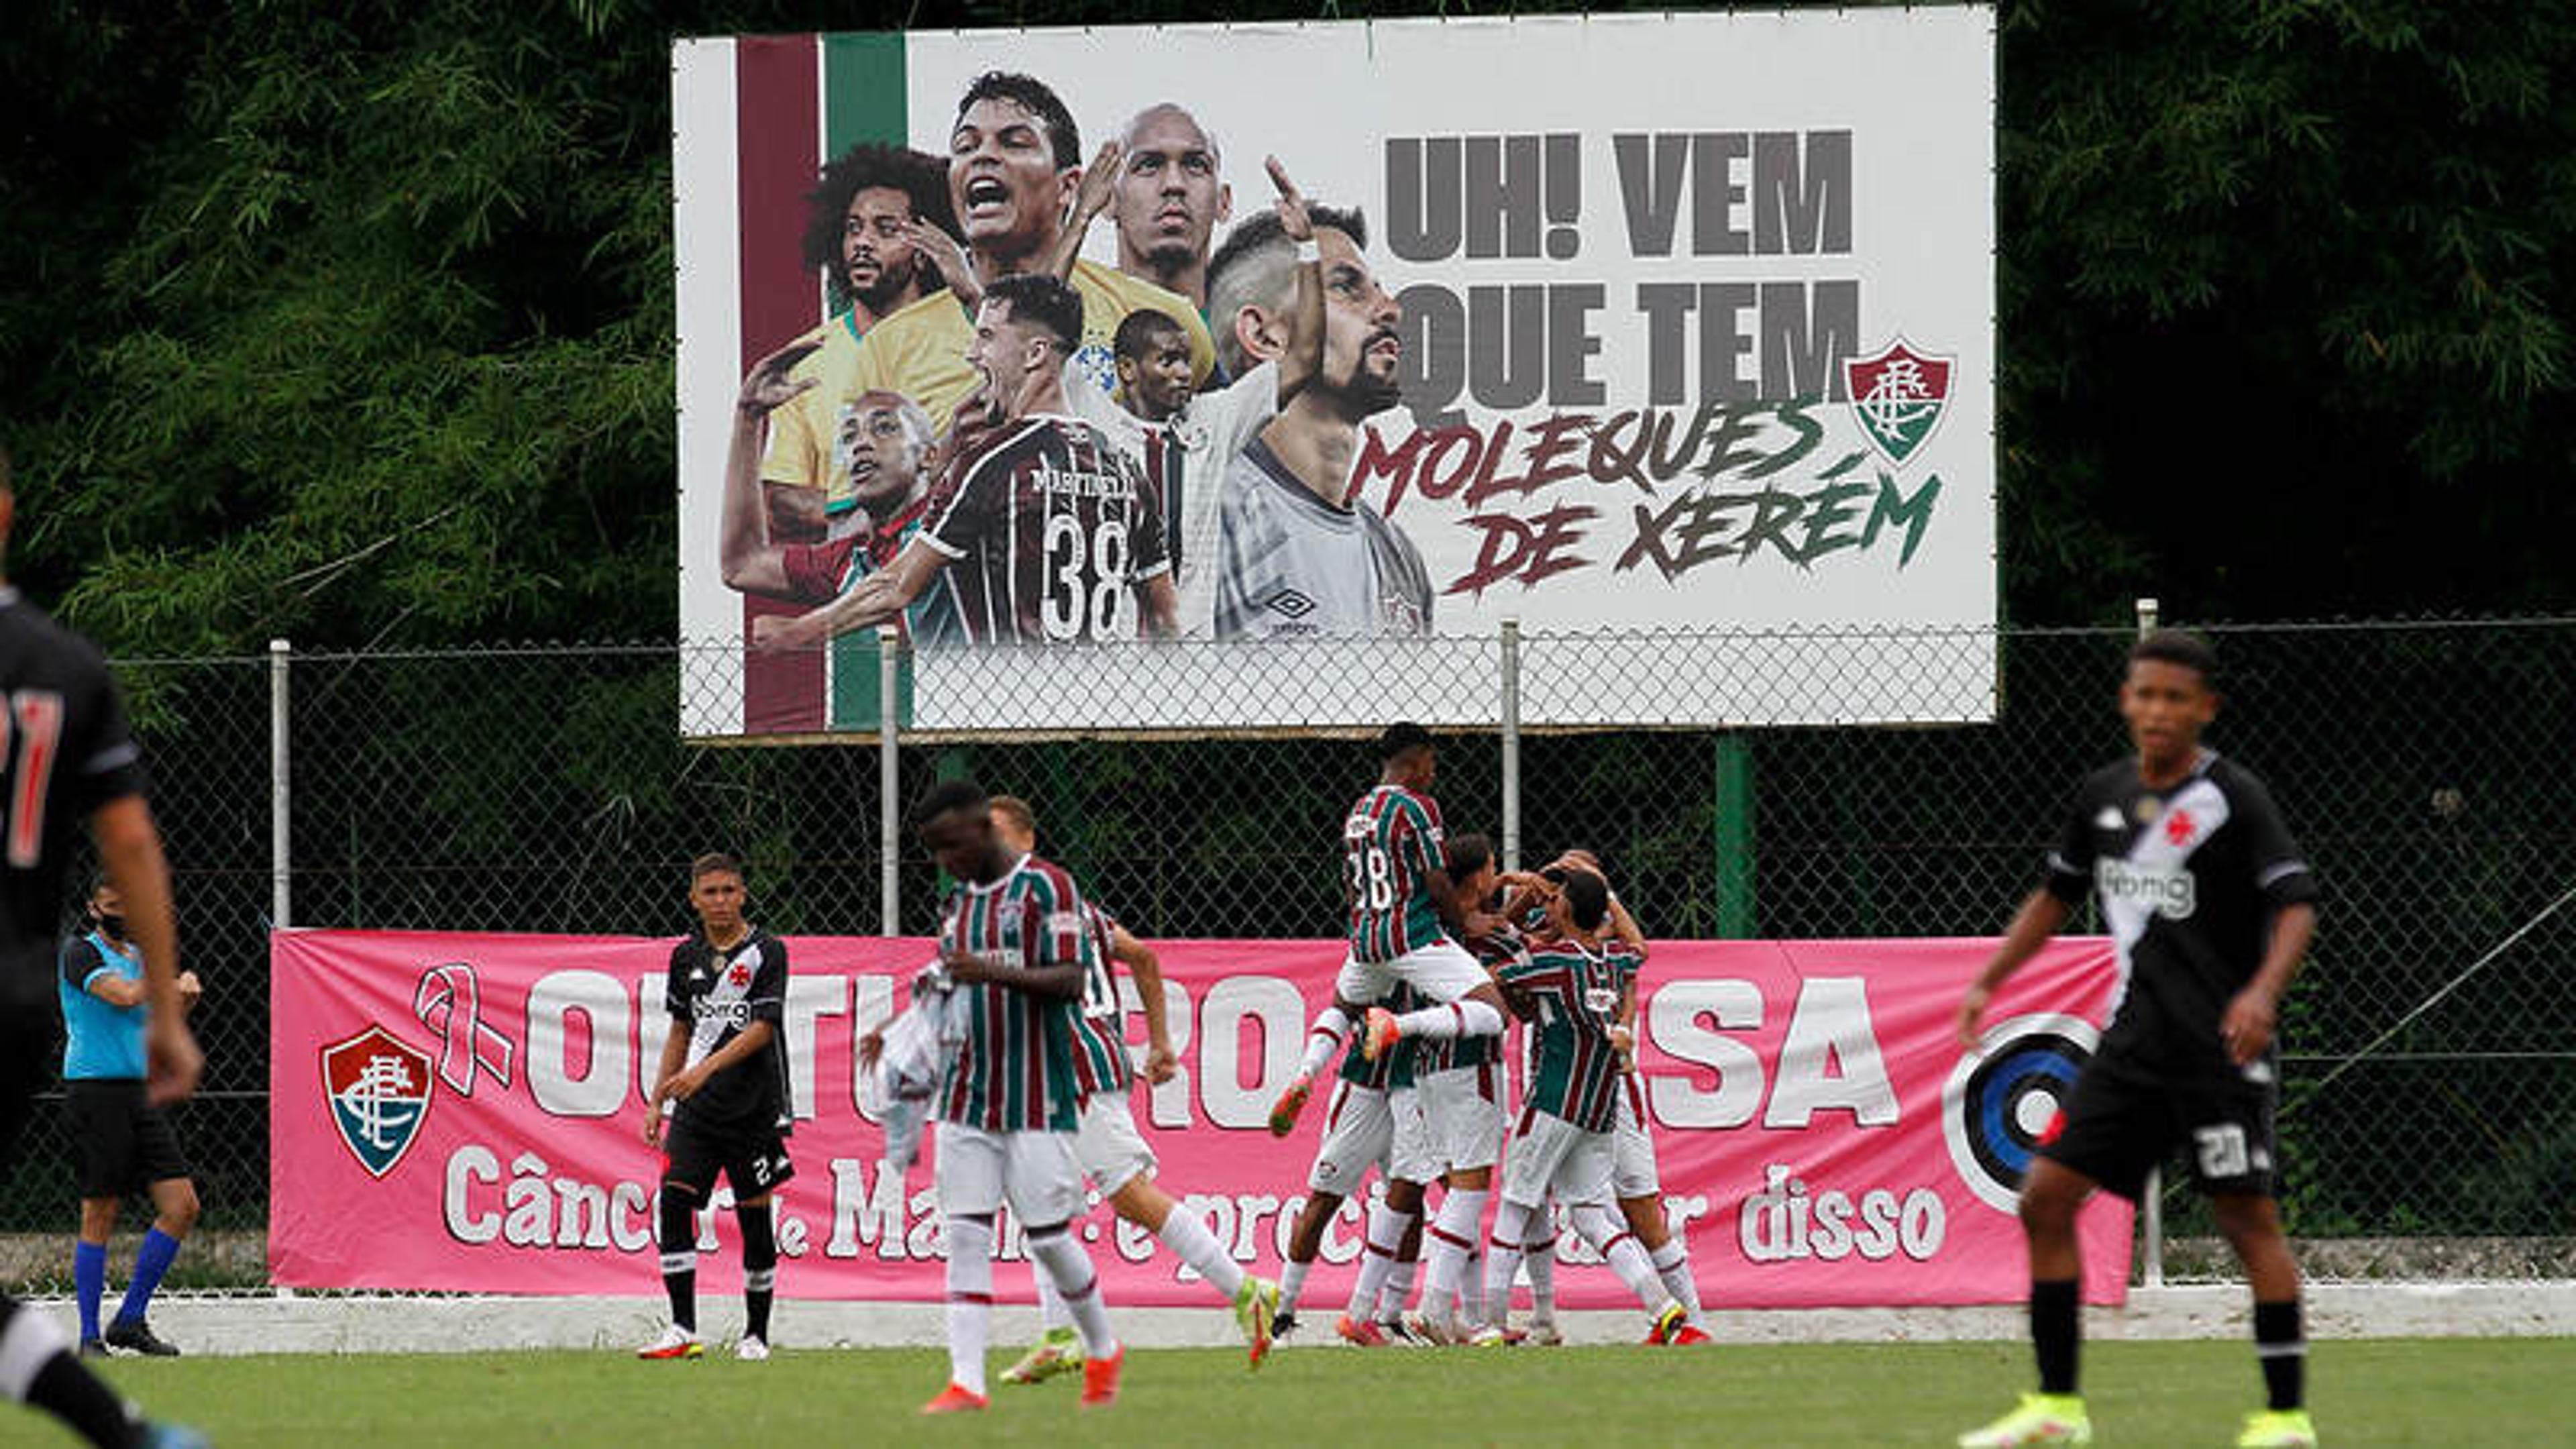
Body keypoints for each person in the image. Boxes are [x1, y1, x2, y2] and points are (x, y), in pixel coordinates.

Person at [1953, 629, 2320, 1449]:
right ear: (2127, 700)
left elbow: (2296, 902)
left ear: (2204, 709)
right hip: (2131, 1049)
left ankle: (2286, 1417)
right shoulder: (2103, 796)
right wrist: (1990, 978)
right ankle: (2058, 1408)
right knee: (2044, 1199)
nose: (2158, 711)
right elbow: (2057, 894)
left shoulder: (2231, 798)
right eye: (2145, 695)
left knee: (2245, 1218)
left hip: (2218, 1051)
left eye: (2175, 699)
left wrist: (2262, 993)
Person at [0, 446, 207, 1449]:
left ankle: (119, 1406)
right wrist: (170, 1011)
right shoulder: (64, 669)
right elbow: (130, 842)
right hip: (15, 1001)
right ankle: (123, 1422)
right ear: (7, 512)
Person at [977, 796, 1279, 1381]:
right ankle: (1061, 1336)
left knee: (1130, 1196)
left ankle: (1246, 1291)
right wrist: (1159, 1044)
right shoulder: (1073, 904)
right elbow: (1141, 955)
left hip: (1075, 1066)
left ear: (1027, 843)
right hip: (1068, 1067)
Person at [752, 274, 1177, 650]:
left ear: (1034, 354)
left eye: (987, 337)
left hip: (1011, 702)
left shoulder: (992, 463)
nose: (973, 354)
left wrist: (799, 632)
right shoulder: (1126, 471)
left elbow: (897, 586)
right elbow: (1165, 621)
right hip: (1097, 702)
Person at [908, 780, 1125, 1413]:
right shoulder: (956, 906)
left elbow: (1070, 979)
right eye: (936, 851)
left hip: (1036, 1093)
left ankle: (1103, 1345)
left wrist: (993, 970)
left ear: (981, 828)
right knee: (967, 1233)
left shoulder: (1048, 887)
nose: (945, 861)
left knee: (1049, 1237)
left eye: (951, 845)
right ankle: (966, 1382)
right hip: (966, 1096)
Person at [841, 72, 1214, 432]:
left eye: (1014, 142)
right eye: (966, 147)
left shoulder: (1162, 318)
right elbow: (866, 494)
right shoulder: (887, 349)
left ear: (1068, 186)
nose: (983, 156)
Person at [1061, 158, 1324, 638]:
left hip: (1191, 663)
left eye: (1186, 359)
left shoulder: (1214, 420)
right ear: (1127, 370)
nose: (1185, 373)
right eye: (1168, 362)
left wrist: (1306, 249)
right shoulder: (1095, 420)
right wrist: (1080, 218)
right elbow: (1044, 324)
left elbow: (1304, 358)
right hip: (1107, 660)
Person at [1477, 870, 1707, 1348]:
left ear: (1563, 909)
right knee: (1589, 1215)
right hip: (1599, 1111)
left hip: (1552, 1103)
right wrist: (1607, 897)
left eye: (1558, 894)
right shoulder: (1614, 962)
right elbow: (1638, 948)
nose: (1552, 898)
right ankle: (1664, 1306)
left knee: (1514, 1207)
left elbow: (1490, 978)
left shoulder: (1553, 963)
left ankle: (1490, 1324)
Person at [1269, 724, 1508, 1138]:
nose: (1434, 772)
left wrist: (1364, 928)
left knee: (1343, 1007)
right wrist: (1464, 923)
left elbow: (1351, 881)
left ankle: (1306, 1073)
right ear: (1414, 763)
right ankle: (1398, 1025)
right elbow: (1435, 878)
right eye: (1431, 762)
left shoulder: (1359, 811)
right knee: (1493, 1011)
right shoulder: (1419, 807)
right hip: (1411, 936)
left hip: (1366, 938)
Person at [1205, 207, 1432, 639]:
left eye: (1381, 291)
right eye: (1347, 287)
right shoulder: (1209, 514)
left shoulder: (1399, 557)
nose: (1390, 308)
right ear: (1264, 336)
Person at [637, 853, 794, 1362]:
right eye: (711, 892)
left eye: (730, 891)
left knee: (754, 1216)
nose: (721, 901)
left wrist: (704, 1071)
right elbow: (681, 1030)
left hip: (753, 1108)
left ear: (743, 894)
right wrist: (659, 1097)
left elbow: (762, 1029)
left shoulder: (768, 952)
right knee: (675, 1200)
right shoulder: (685, 958)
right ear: (694, 899)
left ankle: (756, 1334)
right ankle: (682, 1328)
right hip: (697, 1114)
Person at [759, 144, 954, 539]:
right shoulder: (807, 358)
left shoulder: (971, 336)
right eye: (853, 228)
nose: (863, 242)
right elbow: (781, 500)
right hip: (858, 590)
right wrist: (890, 511)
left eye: (886, 230)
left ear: (924, 251)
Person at [718, 352, 962, 648]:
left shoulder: (956, 516)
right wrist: (748, 417)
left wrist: (798, 631)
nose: (861, 444)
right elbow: (741, 565)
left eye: (884, 428)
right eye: (849, 437)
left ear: (928, 455)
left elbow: (892, 590)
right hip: (891, 694)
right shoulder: (850, 560)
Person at [58, 879, 203, 1357]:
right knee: (101, 1212)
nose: (120, 911)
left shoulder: (143, 956)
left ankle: (130, 1319)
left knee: (182, 1206)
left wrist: (185, 996)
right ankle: (87, 1337)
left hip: (140, 1092)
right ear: (93, 907)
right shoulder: (80, 952)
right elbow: (121, 996)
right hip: (95, 1091)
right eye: (111, 904)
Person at [1265, 981, 1428, 1348]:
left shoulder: (1441, 949)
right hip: (1363, 1089)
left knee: (1411, 1198)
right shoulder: (1371, 953)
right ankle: (1284, 1313)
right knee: (1324, 1199)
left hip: (1412, 1089)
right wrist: (1310, 1069)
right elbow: (1339, 1011)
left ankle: (1391, 1317)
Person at [1403, 835, 1513, 1344]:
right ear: (1477, 878)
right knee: (1470, 1192)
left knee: (1454, 1191)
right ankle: (1432, 1307)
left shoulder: (1432, 931)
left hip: (1429, 1068)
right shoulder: (1488, 938)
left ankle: (1467, 1319)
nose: (1498, 878)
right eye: (1494, 869)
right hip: (1472, 1065)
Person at [1104, 104, 1232, 313]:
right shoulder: (1069, 326)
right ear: (1108, 200)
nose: (1174, 184)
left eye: (1196, 166)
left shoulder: (1254, 333)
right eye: (1148, 166)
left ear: (1223, 202)